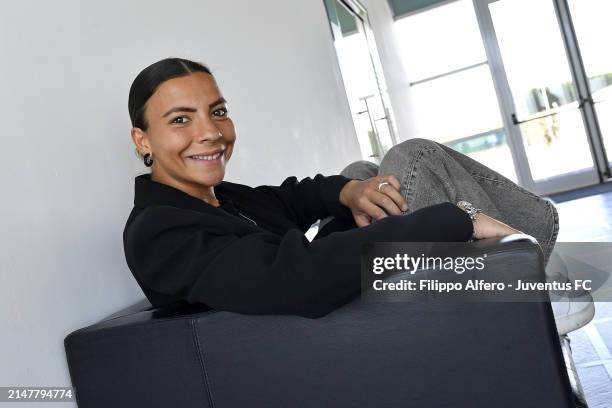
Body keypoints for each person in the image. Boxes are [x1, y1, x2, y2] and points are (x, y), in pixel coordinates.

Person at [123, 57, 555, 319]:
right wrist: (457, 218)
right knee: (412, 158)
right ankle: (535, 267)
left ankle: (529, 255)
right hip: (320, 336)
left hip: (340, 310)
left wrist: (348, 191)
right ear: (142, 139)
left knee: (364, 174)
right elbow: (299, 282)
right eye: (181, 119)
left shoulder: (225, 198)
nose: (211, 133)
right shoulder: (159, 230)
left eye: (217, 112)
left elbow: (294, 195)